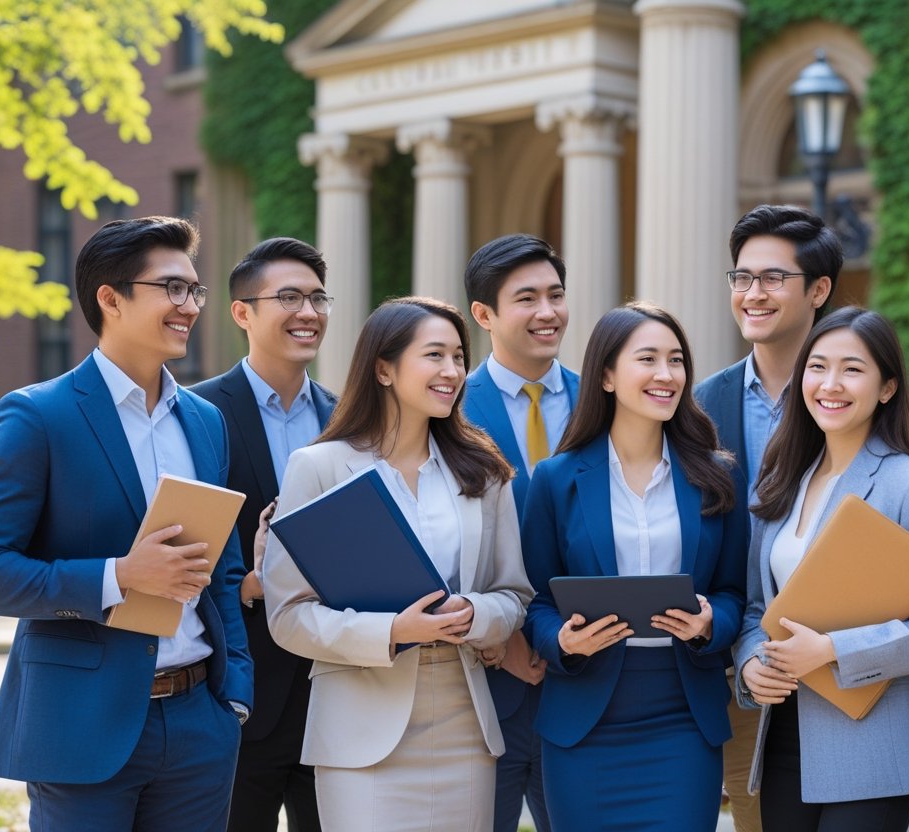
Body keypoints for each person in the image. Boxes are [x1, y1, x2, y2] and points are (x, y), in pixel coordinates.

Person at [0, 216, 253, 830]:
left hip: (199, 726)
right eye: (172, 289)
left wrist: (232, 691)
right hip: (80, 728)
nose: (189, 306)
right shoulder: (36, 416)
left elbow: (225, 569)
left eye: (194, 291)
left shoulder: (206, 421)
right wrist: (118, 577)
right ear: (111, 298)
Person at [262, 297, 533, 832]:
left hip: (464, 724)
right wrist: (392, 630)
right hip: (358, 732)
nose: (453, 371)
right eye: (435, 355)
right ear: (383, 368)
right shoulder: (318, 467)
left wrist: (473, 614)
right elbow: (288, 615)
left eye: (459, 356)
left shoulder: (484, 471)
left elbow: (514, 596)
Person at [521, 302, 748, 832]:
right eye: (647, 359)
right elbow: (535, 602)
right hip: (585, 722)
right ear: (606, 373)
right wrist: (563, 642)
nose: (666, 375)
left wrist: (712, 623)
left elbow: (736, 592)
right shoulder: (555, 479)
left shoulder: (716, 476)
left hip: (683, 718)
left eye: (676, 360)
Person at [736, 306, 909, 831]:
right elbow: (755, 608)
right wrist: (750, 664)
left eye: (852, 369)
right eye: (817, 367)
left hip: (873, 746)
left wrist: (833, 650)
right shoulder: (781, 481)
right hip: (784, 735)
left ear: (886, 388)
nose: (830, 384)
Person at [695, 204, 841, 832]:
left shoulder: (854, 393)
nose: (753, 294)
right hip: (739, 662)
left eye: (772, 278)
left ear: (819, 290)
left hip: (840, 657)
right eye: (741, 278)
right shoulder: (701, 406)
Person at [191, 237, 336, 832]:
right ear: (242, 312)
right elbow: (183, 549)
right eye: (290, 297)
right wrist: (250, 584)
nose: (309, 312)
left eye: (318, 298)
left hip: (335, 690)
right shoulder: (198, 414)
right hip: (242, 691)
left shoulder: (348, 418)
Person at [461, 233, 577, 832]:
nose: (547, 312)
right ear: (484, 315)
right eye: (527, 298)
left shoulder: (603, 402)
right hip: (484, 679)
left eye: (556, 295)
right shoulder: (446, 406)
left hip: (583, 674)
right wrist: (498, 635)